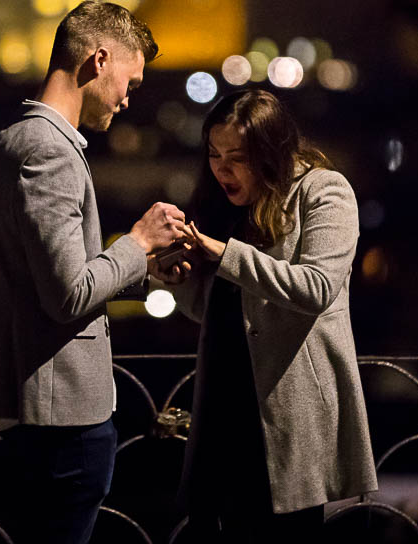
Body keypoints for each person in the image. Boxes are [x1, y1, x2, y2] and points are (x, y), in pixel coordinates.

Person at [0, 0, 188, 544]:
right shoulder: (51, 152)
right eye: (128, 82)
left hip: (22, 408)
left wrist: (147, 271)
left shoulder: (6, 142)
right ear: (98, 60)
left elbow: (37, 278)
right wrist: (138, 241)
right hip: (62, 418)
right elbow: (67, 294)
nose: (129, 99)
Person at [161, 89, 378, 541]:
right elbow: (219, 313)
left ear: (271, 151)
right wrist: (176, 276)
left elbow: (317, 287)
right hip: (223, 414)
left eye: (237, 156)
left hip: (287, 418)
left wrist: (223, 254)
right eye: (214, 154)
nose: (222, 168)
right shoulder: (224, 209)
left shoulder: (323, 191)